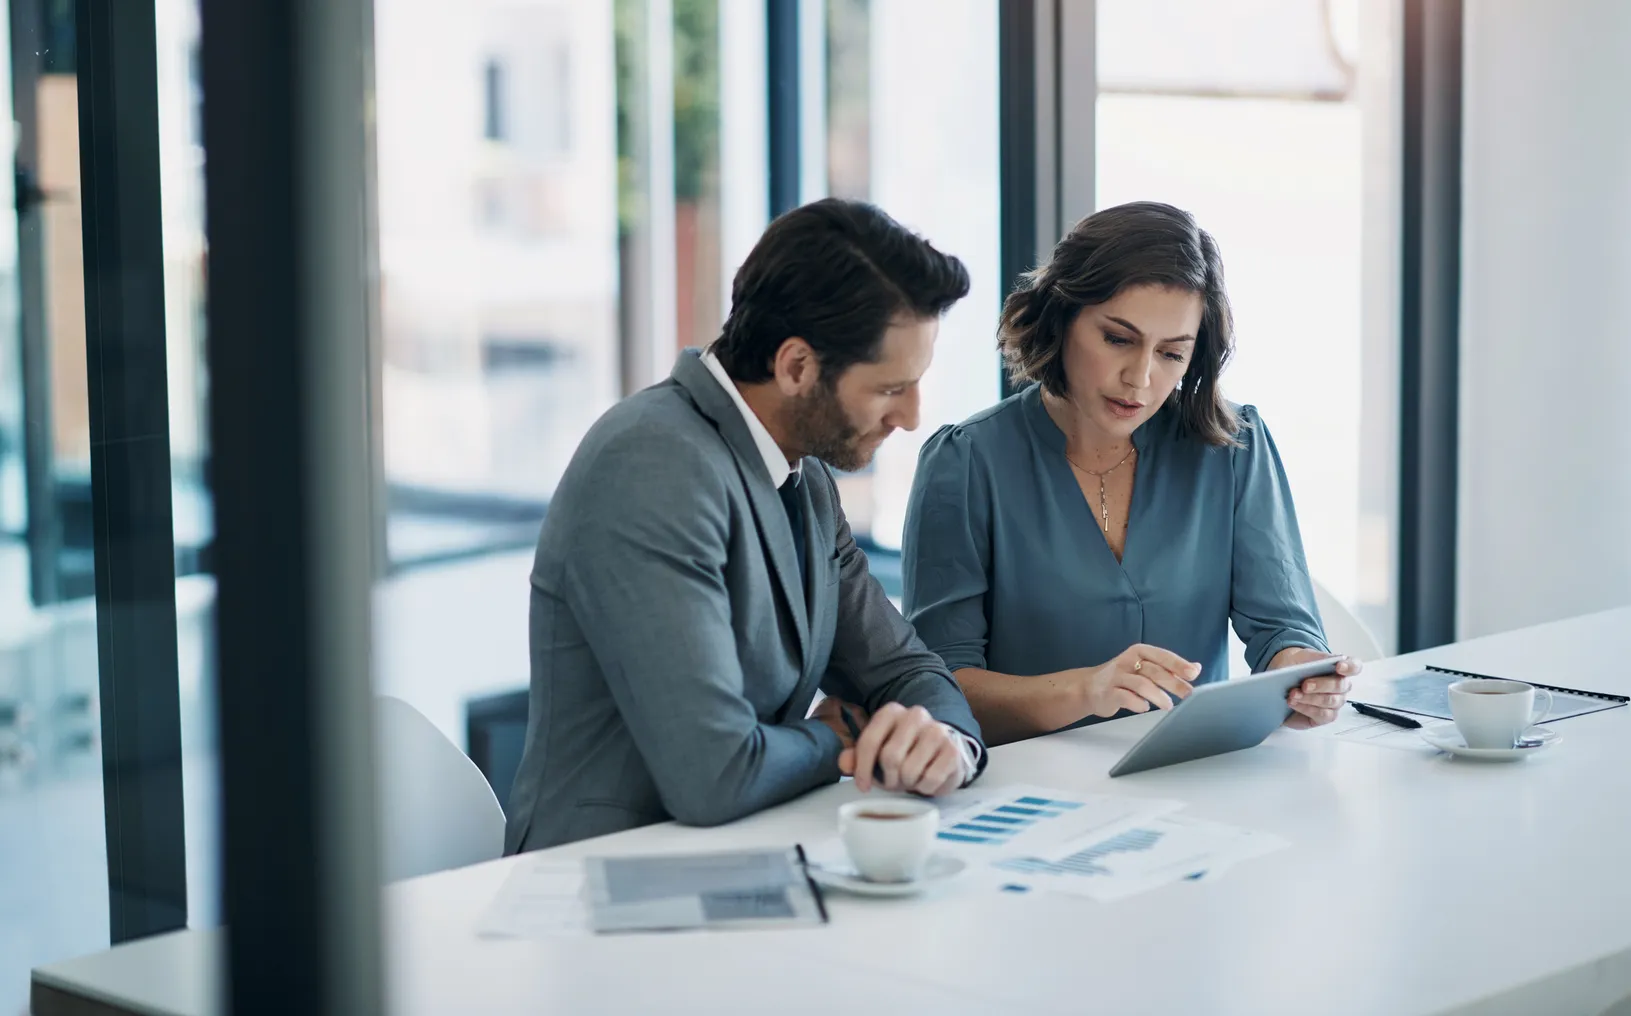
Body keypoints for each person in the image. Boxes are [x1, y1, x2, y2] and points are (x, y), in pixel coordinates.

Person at [505, 198, 988, 852]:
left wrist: (943, 743)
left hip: (745, 858)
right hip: (604, 883)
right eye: (887, 389)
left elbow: (903, 667)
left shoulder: (804, 476)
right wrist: (840, 739)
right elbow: (715, 773)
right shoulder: (650, 464)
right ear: (795, 367)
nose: (910, 416)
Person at [900, 201, 1360, 746]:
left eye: (1171, 353)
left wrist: (1304, 674)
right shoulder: (966, 463)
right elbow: (937, 689)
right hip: (1027, 790)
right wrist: (1086, 689)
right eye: (1118, 339)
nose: (1139, 378)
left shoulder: (1233, 448)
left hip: (1193, 776)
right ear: (1061, 317)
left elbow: (1283, 627)